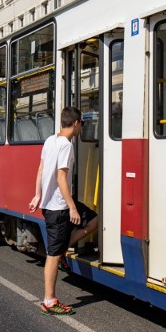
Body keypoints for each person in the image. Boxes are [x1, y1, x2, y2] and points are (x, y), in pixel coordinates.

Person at [28, 106, 99, 316]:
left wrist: (37, 195)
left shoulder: (50, 140)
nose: (80, 128)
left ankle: (62, 251)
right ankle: (49, 301)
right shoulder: (67, 146)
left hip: (51, 204)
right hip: (59, 207)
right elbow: (61, 178)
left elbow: (40, 169)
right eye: (81, 124)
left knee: (94, 220)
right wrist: (72, 207)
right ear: (76, 123)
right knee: (52, 255)